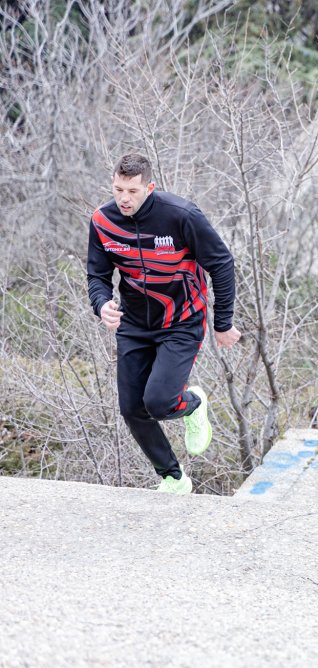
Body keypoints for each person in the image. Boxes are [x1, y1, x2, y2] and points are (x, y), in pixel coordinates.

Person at [87, 153, 240, 494]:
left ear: (150, 187)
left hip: (181, 320)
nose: (124, 198)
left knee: (157, 402)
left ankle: (193, 403)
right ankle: (172, 477)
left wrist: (223, 321)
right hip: (134, 323)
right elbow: (97, 275)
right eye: (118, 189)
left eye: (133, 191)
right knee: (131, 408)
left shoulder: (181, 215)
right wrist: (101, 305)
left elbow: (222, 263)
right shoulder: (102, 221)